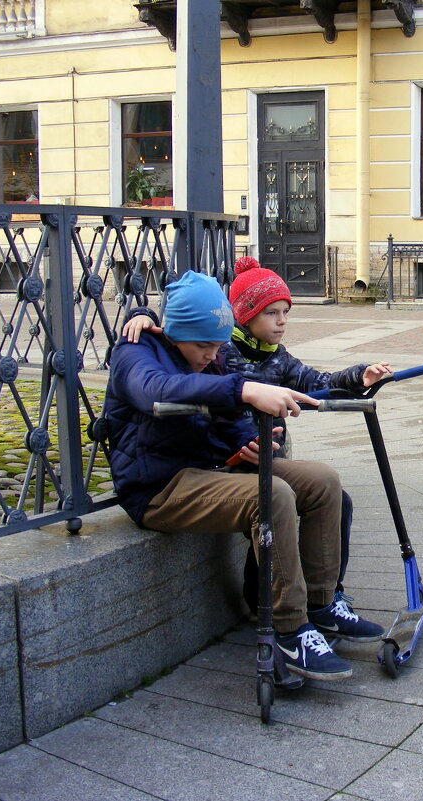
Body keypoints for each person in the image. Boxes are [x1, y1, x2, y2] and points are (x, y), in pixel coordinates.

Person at [104, 270, 384, 682]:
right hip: (159, 487)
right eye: (203, 345)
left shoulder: (208, 357)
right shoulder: (137, 351)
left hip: (209, 471)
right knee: (272, 495)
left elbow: (227, 419)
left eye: (218, 345)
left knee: (323, 481)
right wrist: (244, 389)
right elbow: (156, 390)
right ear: (174, 331)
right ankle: (290, 629)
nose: (211, 354)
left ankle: (321, 604)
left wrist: (248, 441)